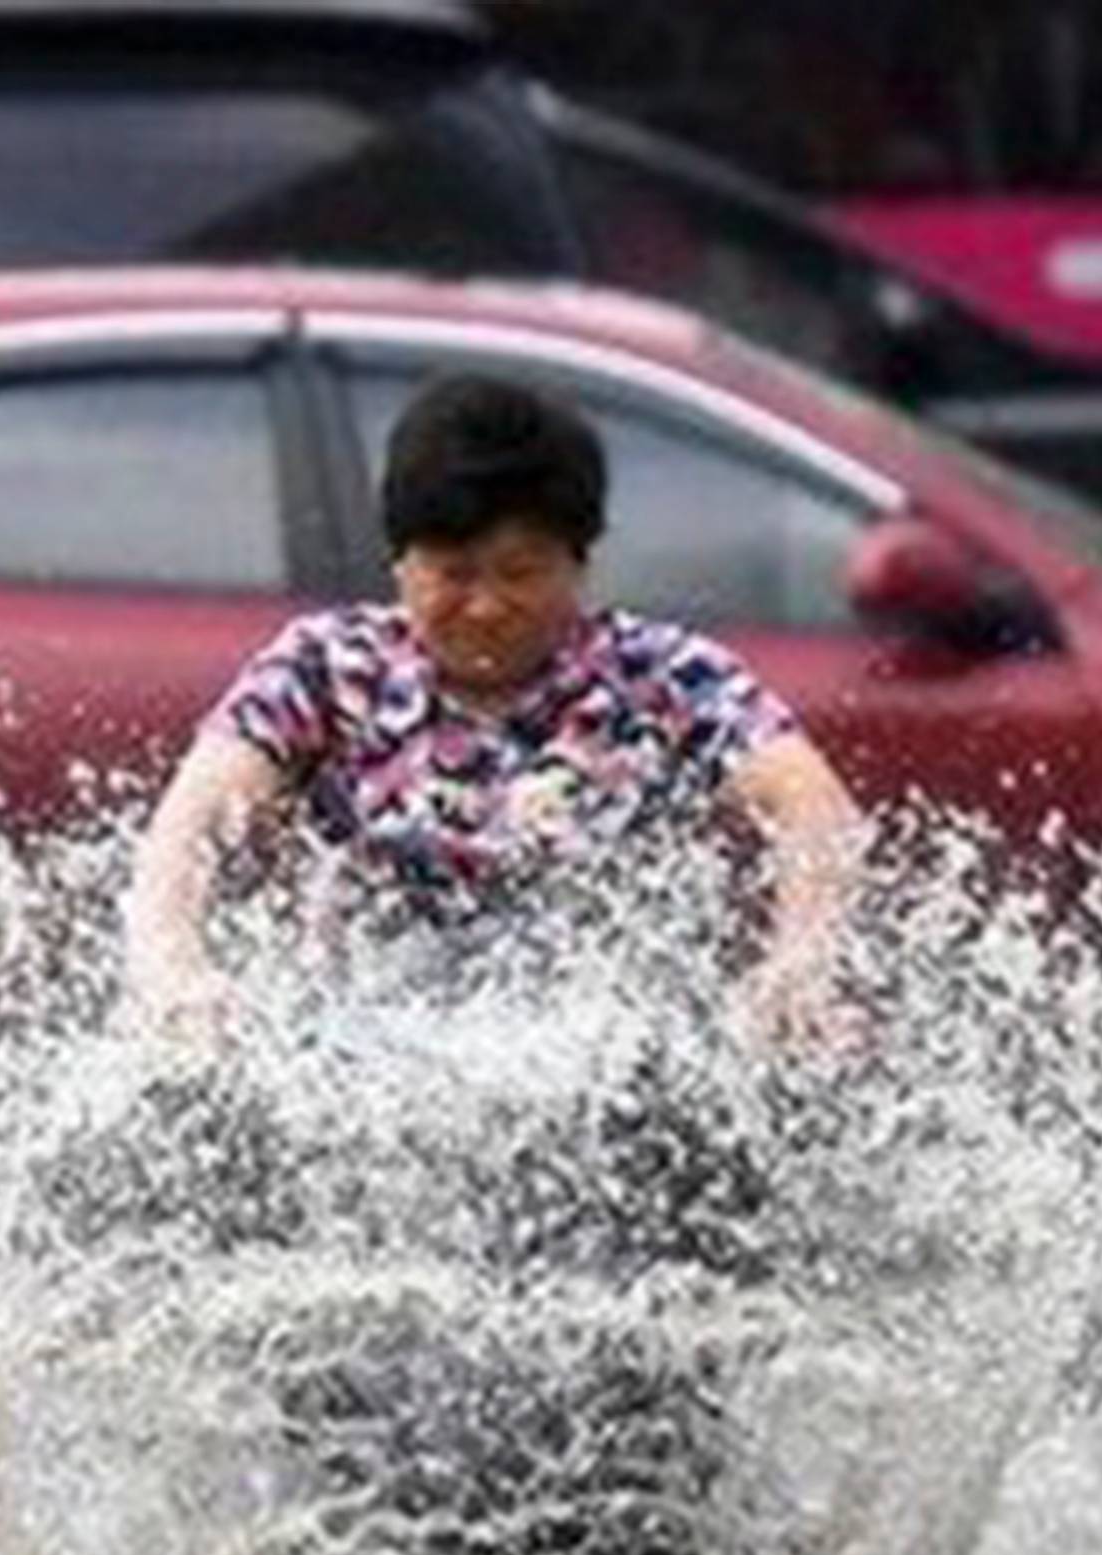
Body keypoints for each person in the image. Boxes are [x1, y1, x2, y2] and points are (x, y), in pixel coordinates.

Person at [125, 368, 864, 1050]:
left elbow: (807, 798)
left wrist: (801, 960)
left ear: (579, 563)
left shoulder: (655, 675)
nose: (484, 606)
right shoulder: (332, 668)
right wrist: (173, 967)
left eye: (519, 572)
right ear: (400, 564)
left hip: (607, 1059)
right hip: (368, 1056)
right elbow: (197, 809)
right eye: (453, 573)